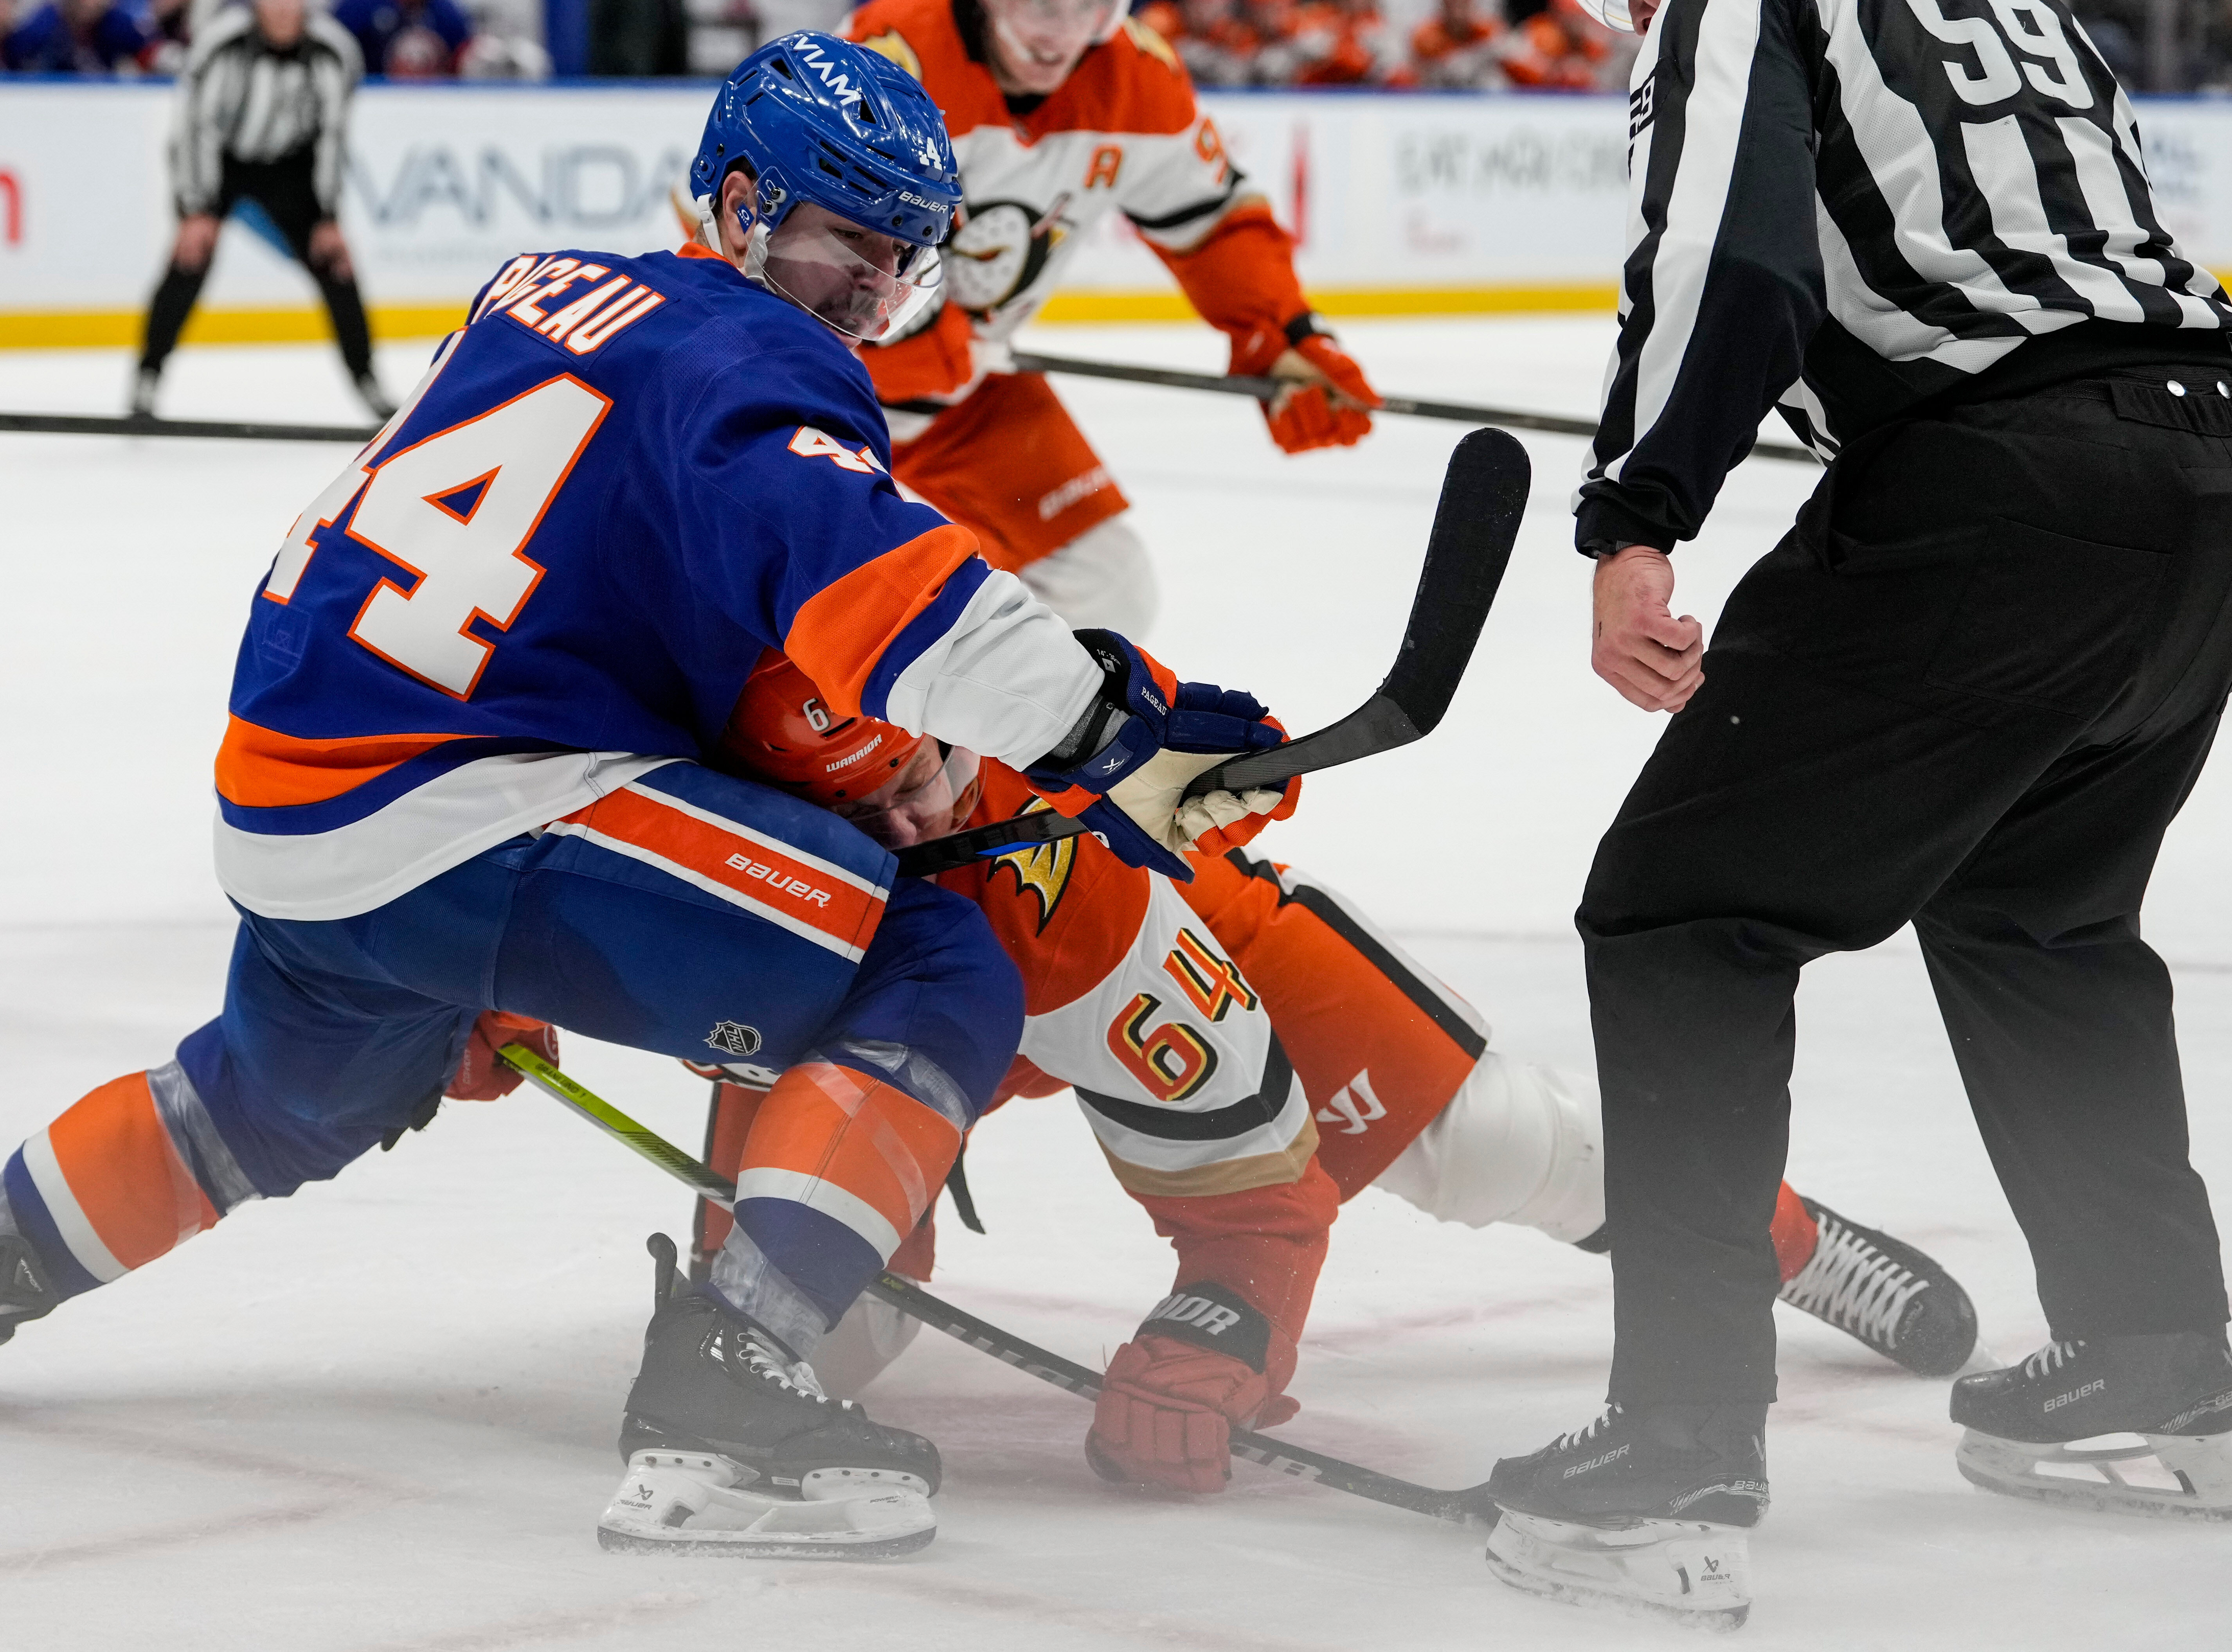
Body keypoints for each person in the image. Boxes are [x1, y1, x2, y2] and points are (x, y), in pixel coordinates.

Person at [0, 35, 1291, 1564]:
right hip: (468, 808)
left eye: (893, 271)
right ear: (738, 205)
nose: (863, 306)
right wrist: (1111, 722)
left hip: (297, 798)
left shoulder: (539, 291)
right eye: (841, 249)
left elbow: (619, 594)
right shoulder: (749, 361)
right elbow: (882, 583)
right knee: (926, 962)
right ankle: (730, 1389)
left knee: (259, 1098)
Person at [1486, 0, 2232, 1625]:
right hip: (2224, 483)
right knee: (2038, 913)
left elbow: (1732, 259)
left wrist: (1636, 512)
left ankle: (1677, 1437)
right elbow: (1983, 275)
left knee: (1681, 916)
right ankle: (2149, 1351)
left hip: (2016, 496)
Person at [659, 673, 1982, 1506]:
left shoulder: (1082, 894)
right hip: (904, 1011)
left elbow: (1250, 1187)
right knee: (811, 1332)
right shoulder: (718, 827)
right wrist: (468, 990)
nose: (906, 831)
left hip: (1181, 946)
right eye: (855, 811)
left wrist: (1223, 1327)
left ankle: (1783, 1240)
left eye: (923, 780)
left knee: (1498, 1147)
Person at [842, 0, 1381, 638]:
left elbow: (1212, 220)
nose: (1058, 32)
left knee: (1106, 593)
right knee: (858, 603)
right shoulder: (887, 56)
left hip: (963, 404)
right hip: (821, 401)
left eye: (1087, 7)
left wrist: (1283, 332)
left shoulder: (1137, 76)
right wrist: (896, 335)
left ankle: (973, 734)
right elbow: (798, 241)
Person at [133, 0, 388, 421]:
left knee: (337, 267)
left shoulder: (334, 51)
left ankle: (368, 382)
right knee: (188, 262)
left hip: (291, 169)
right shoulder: (221, 43)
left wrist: (327, 216)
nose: (285, 9)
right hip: (224, 162)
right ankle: (147, 379)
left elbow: (332, 137)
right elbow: (196, 127)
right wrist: (195, 209)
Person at [331, 0, 473, 77]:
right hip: (372, 99)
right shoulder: (358, 8)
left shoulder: (447, 15)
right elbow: (334, 52)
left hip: (433, 101)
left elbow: (463, 59)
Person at [1, 0, 149, 71]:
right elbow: (14, 58)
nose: (93, 4)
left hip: (102, 105)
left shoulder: (115, 23)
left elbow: (147, 51)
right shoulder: (45, 24)